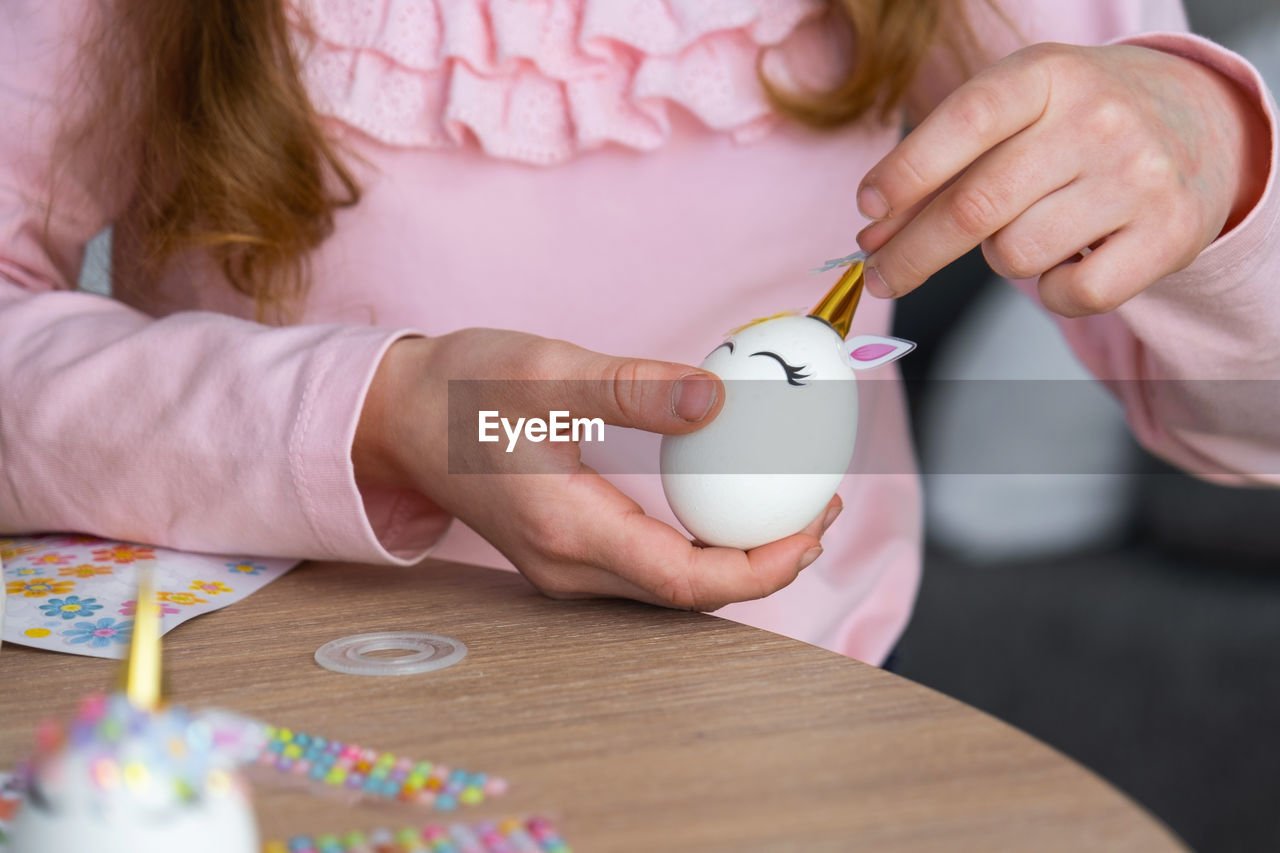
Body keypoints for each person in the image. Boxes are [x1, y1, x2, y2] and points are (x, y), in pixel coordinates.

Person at [0, 0, 1275, 665]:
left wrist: (1214, 155)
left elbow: (1240, 432)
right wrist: (381, 416)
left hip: (769, 738)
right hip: (281, 725)